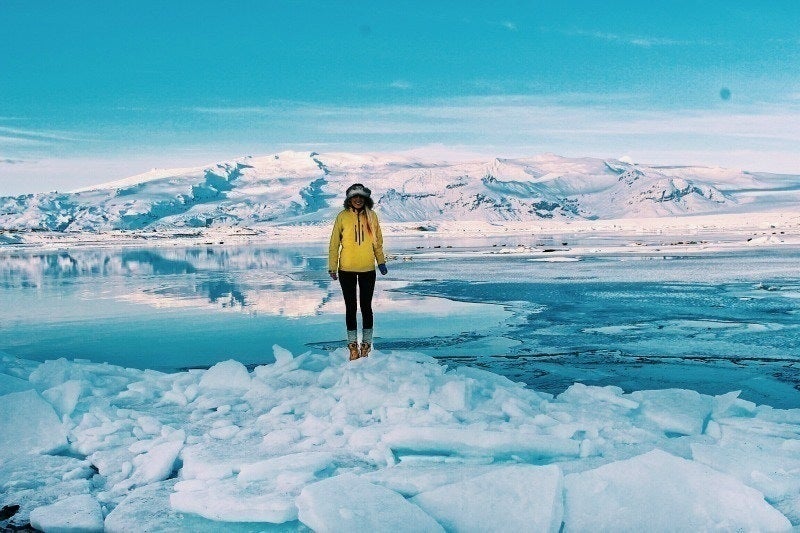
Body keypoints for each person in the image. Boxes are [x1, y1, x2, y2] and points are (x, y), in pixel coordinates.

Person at [328, 183, 388, 360]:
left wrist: (381, 261)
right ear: (349, 199)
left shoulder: (372, 217)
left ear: (366, 199)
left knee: (366, 307)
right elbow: (334, 244)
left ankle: (366, 345)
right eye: (355, 197)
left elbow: (377, 242)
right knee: (351, 307)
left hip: (367, 269)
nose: (358, 200)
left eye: (361, 197)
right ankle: (352, 346)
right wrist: (332, 266)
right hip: (346, 269)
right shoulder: (342, 217)